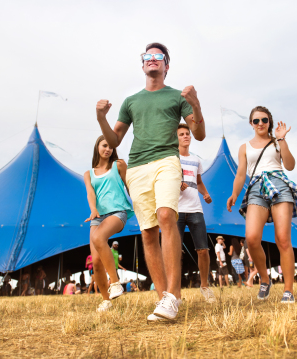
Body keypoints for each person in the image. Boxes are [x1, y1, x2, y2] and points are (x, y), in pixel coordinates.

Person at [96, 42, 206, 321]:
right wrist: (101, 118)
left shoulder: (177, 96)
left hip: (167, 161)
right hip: (137, 167)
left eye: (159, 56)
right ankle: (163, 300)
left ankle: (173, 294)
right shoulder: (131, 101)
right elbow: (115, 140)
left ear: (166, 65)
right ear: (143, 64)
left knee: (167, 215)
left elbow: (200, 134)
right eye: (148, 56)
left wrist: (195, 105)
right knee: (147, 231)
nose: (152, 59)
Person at [227, 106, 297, 303]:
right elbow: (241, 173)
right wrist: (234, 194)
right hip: (256, 189)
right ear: (251, 123)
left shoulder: (277, 142)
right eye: (256, 120)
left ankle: (288, 290)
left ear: (269, 122)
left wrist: (282, 139)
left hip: (279, 185)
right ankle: (264, 279)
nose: (260, 123)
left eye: (264, 120)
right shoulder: (244, 147)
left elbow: (290, 165)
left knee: (283, 239)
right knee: (251, 238)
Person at [84, 136, 134, 312]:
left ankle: (115, 282)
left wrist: (140, 204)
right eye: (105, 145)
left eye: (111, 147)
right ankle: (106, 300)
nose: (108, 149)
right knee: (96, 262)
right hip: (97, 216)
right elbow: (91, 193)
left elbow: (130, 186)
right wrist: (92, 209)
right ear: (97, 146)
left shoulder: (118, 164)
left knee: (99, 237)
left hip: (117, 212)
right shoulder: (88, 174)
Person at [176, 123, 215, 302]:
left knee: (203, 250)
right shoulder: (171, 159)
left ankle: (205, 287)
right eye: (182, 134)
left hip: (195, 209)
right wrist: (176, 183)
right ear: (175, 138)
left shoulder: (196, 160)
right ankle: (175, 292)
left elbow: (198, 181)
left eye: (187, 134)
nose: (186, 136)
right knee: (175, 252)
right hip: (176, 210)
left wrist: (205, 193)